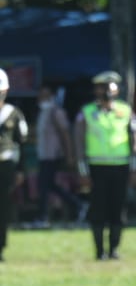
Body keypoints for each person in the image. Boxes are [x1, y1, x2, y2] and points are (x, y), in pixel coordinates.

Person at [75, 71, 136, 260]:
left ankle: (114, 249)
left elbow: (135, 141)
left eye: (110, 87)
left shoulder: (125, 110)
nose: (107, 91)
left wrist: (135, 168)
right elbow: (79, 144)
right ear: (96, 90)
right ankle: (99, 251)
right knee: (98, 209)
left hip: (121, 166)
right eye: (102, 87)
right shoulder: (87, 112)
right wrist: (83, 172)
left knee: (118, 209)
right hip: (96, 168)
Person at [34, 83, 81, 227]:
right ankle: (77, 205)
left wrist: (69, 155)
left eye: (45, 95)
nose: (42, 98)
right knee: (49, 185)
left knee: (44, 186)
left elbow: (65, 134)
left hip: (53, 155)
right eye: (41, 95)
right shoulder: (43, 112)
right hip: (43, 155)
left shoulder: (56, 112)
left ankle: (43, 217)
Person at [0, 69, 29, 262]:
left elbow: (22, 144)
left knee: (3, 207)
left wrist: (20, 170)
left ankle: (0, 247)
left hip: (6, 165)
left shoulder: (13, 114)